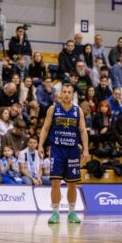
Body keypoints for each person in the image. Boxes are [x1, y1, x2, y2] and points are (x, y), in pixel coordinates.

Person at [38, 83, 90, 224]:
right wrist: (40, 145)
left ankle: (71, 212)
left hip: (72, 150)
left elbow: (83, 131)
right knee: (55, 182)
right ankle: (55, 213)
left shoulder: (77, 110)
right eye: (64, 92)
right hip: (57, 149)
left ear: (73, 95)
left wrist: (85, 149)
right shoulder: (53, 109)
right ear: (60, 94)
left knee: (72, 183)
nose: (66, 94)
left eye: (69, 92)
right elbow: (45, 128)